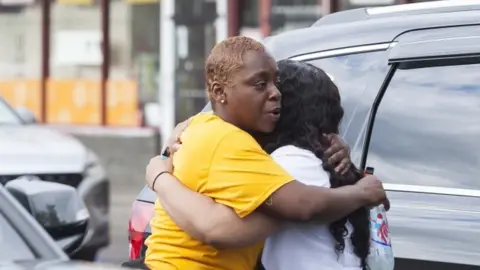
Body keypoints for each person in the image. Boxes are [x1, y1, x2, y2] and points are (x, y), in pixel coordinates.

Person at [144, 36, 388, 270]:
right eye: (260, 84)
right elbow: (299, 206)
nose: (275, 93)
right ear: (220, 92)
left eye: (276, 83)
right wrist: (361, 192)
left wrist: (328, 140)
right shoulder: (228, 140)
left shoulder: (209, 129)